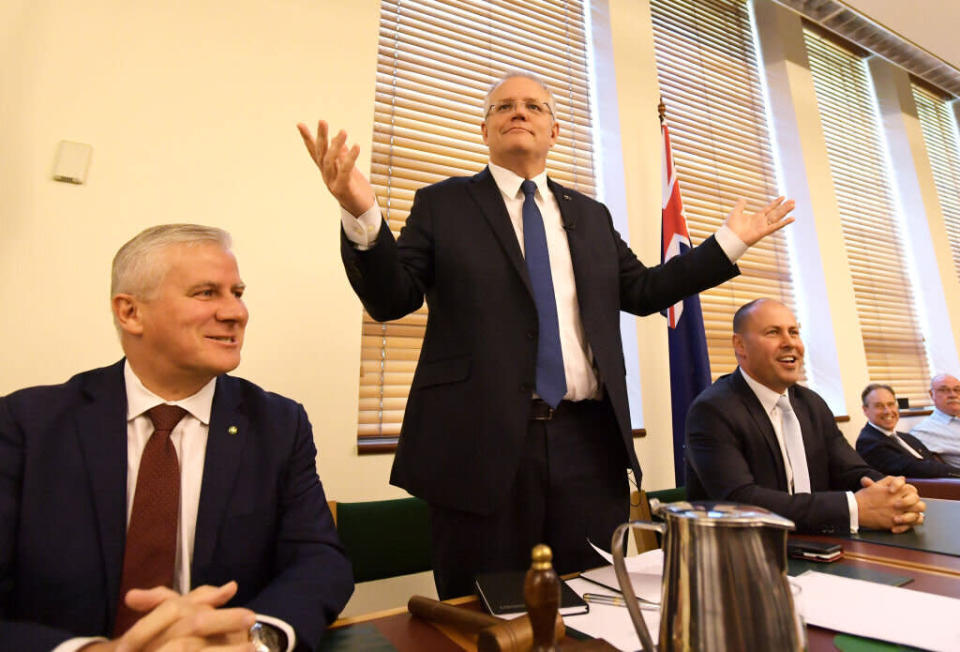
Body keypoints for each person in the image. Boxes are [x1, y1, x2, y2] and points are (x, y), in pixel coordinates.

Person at [298, 71, 795, 598]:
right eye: (504, 106)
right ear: (484, 130)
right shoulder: (443, 205)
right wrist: (361, 213)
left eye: (534, 106)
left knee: (593, 603)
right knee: (488, 610)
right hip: (478, 449)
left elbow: (646, 291)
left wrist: (727, 244)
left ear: (554, 131)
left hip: (588, 445)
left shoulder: (592, 216)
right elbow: (392, 298)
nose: (519, 112)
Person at [0, 225, 353, 651]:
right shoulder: (27, 424)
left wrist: (258, 638)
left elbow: (319, 561)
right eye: (206, 293)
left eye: (237, 292)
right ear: (130, 312)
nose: (235, 312)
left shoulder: (279, 423)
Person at [686, 298, 926, 534]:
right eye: (773, 332)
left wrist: (893, 492)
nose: (790, 343)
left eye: (794, 332)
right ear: (740, 345)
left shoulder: (811, 404)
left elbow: (850, 470)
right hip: (743, 554)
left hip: (823, 545)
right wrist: (854, 508)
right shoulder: (713, 410)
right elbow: (738, 501)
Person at [856, 383, 960, 478]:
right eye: (879, 406)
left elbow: (932, 463)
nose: (887, 411)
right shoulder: (868, 442)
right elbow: (914, 468)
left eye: (891, 404)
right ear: (865, 410)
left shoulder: (907, 438)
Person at [909, 374, 960, 467]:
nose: (953, 395)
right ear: (932, 394)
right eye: (944, 390)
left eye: (957, 390)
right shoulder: (923, 431)